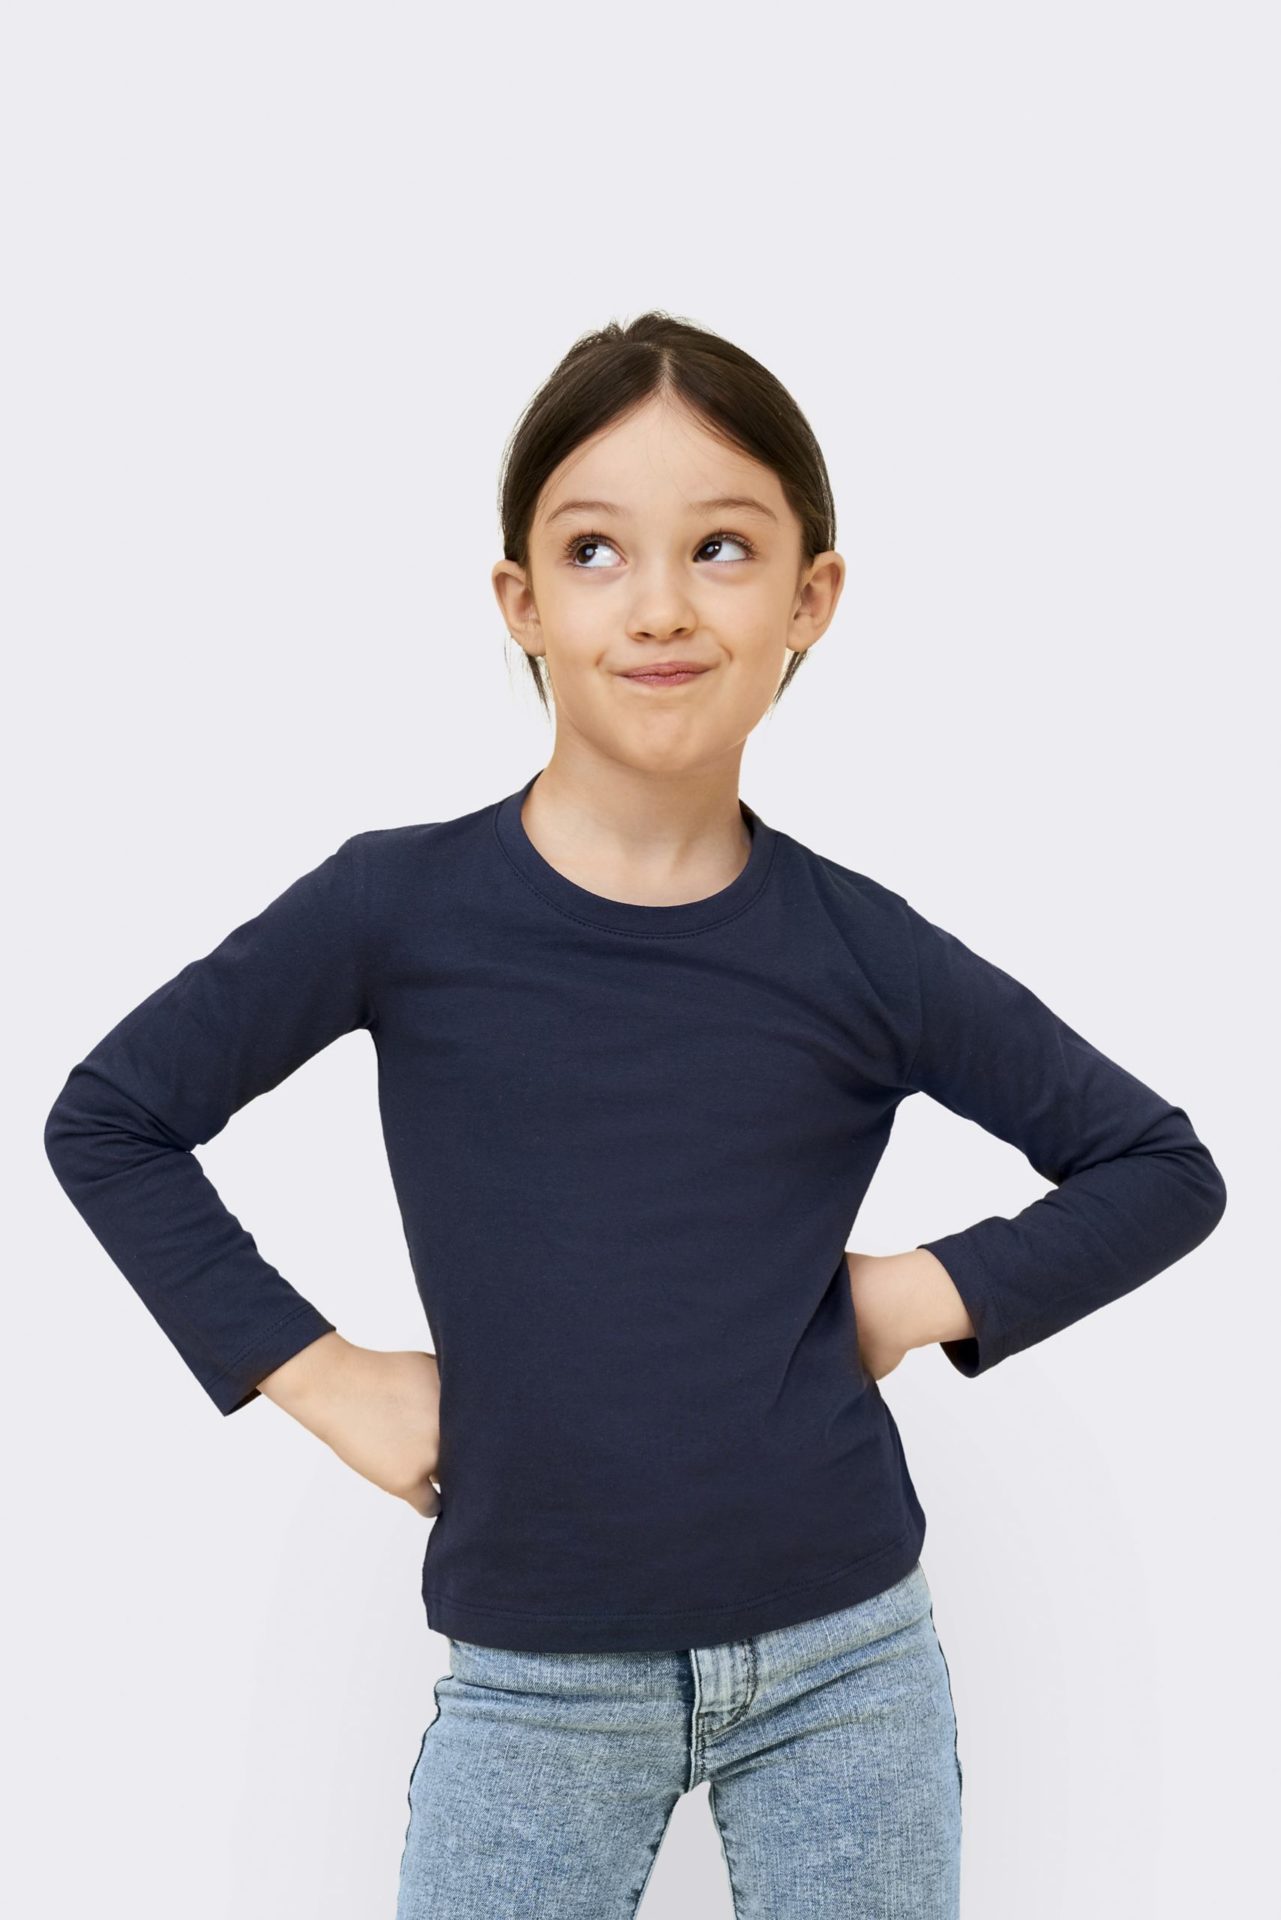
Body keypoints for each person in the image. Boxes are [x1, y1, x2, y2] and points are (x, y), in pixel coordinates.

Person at [42, 311, 1228, 1919]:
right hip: (534, 1681)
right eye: (595, 551)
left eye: (721, 548)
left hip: (846, 1663)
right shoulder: (396, 908)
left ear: (809, 596)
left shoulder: (859, 949)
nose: (660, 605)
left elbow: (1158, 1166)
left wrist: (910, 1294)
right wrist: (316, 1374)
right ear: (521, 601)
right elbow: (113, 1118)